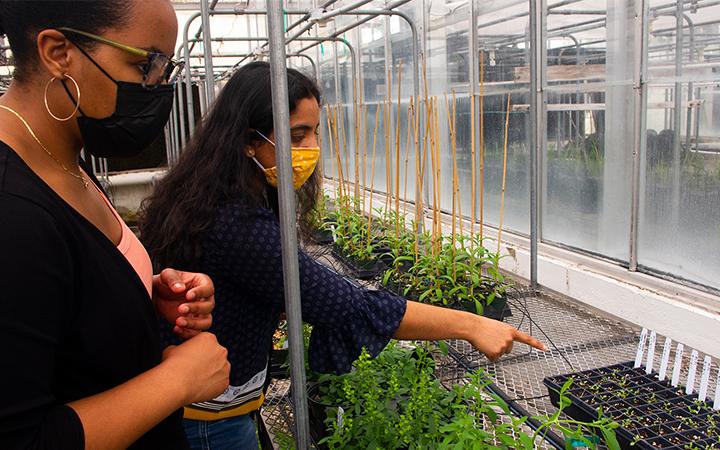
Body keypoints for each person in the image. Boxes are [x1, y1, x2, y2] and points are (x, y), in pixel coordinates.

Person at [139, 61, 547, 450]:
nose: (312, 148)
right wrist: (471, 324)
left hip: (210, 409)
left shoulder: (215, 200)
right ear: (248, 141)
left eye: (315, 132)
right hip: (210, 424)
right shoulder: (239, 226)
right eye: (297, 136)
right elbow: (347, 305)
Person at [0, 1, 231, 449]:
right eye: (146, 64)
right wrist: (178, 381)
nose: (159, 87)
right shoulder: (11, 209)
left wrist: (142, 292)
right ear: (58, 52)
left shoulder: (64, 160)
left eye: (166, 68)